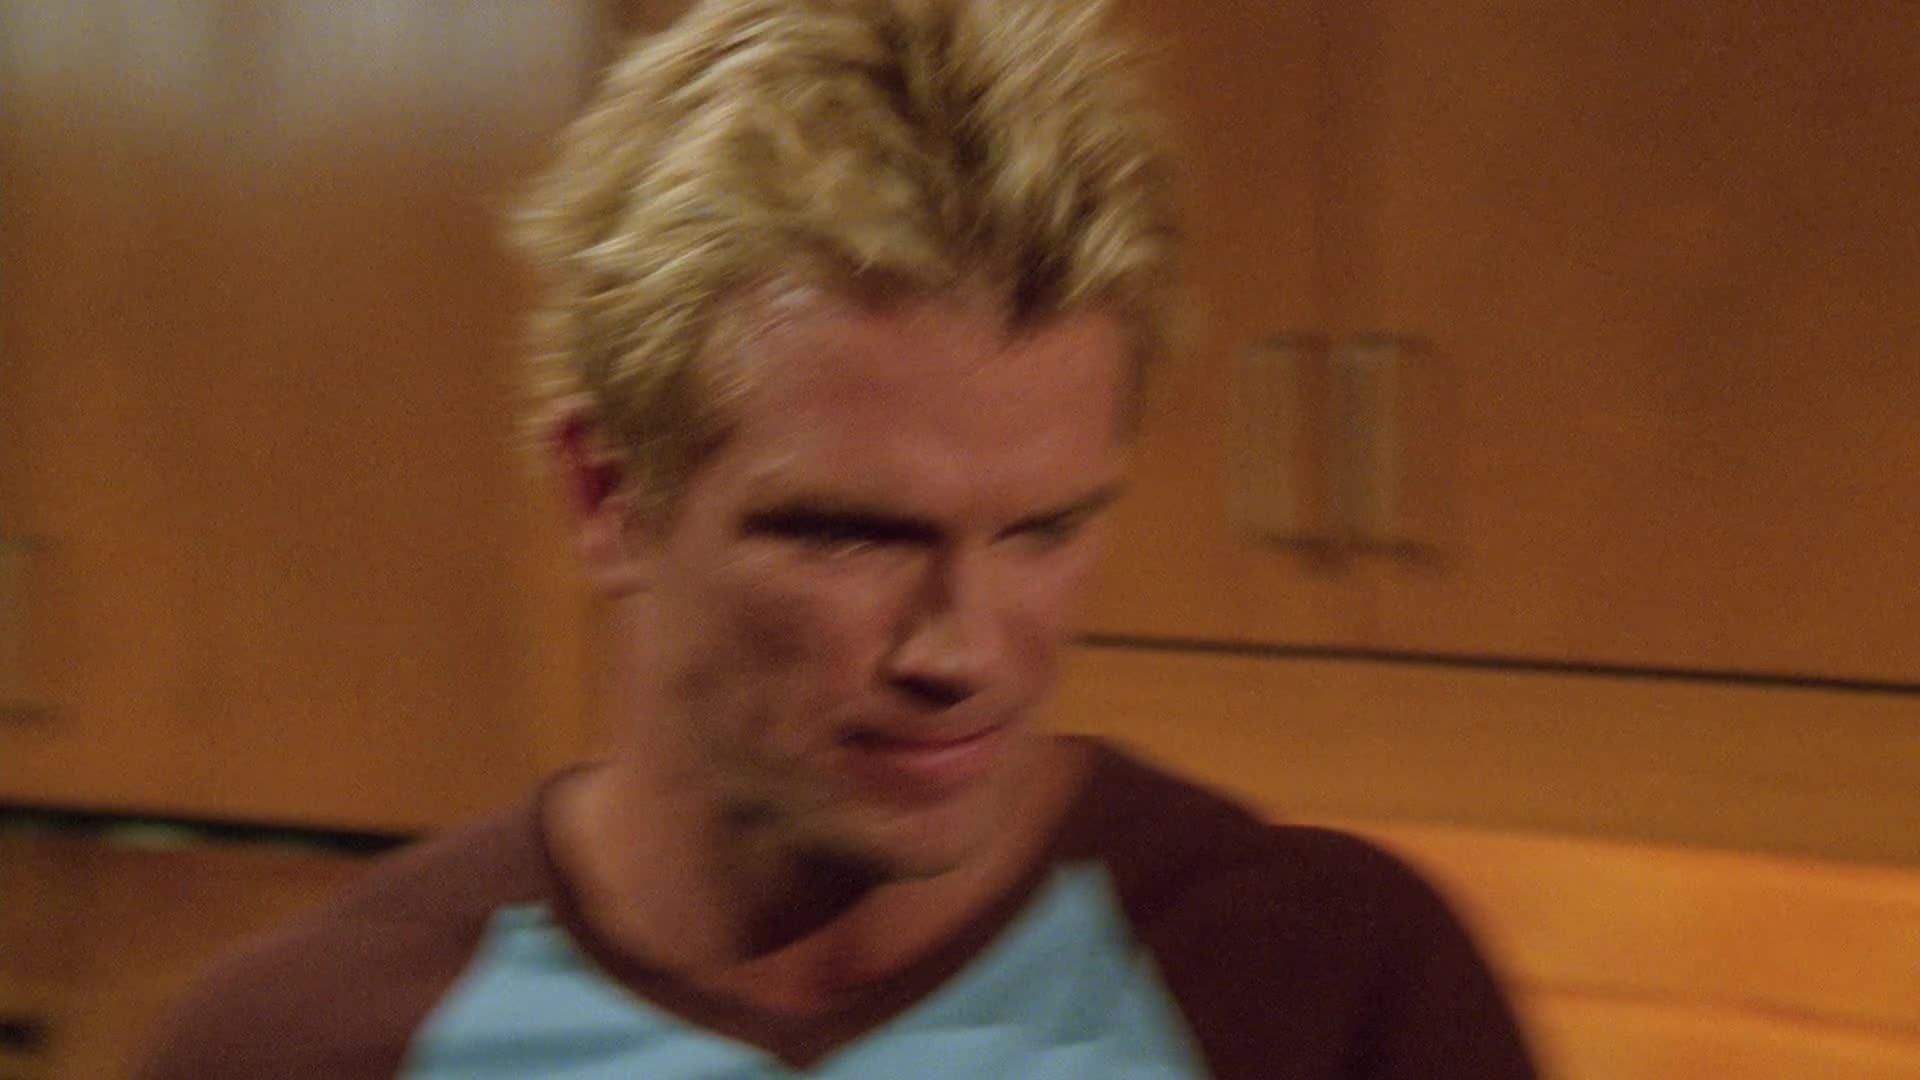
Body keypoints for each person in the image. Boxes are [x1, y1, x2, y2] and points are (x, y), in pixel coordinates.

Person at [135, 0, 1537, 1076]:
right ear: (606, 495)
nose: (961, 653)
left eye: (1044, 529)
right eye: (852, 536)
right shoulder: (309, 1045)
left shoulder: (1324, 993)